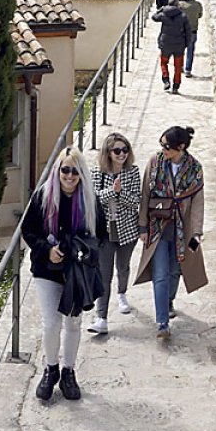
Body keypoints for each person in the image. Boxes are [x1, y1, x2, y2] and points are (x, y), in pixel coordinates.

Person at [23, 147, 107, 401]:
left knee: (73, 323)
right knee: (51, 324)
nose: (69, 176)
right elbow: (29, 231)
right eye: (65, 170)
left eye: (75, 171)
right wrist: (47, 250)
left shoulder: (90, 202)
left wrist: (80, 249)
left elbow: (100, 236)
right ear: (58, 171)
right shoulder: (42, 198)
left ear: (81, 174)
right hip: (46, 270)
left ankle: (69, 371)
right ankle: (51, 369)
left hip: (76, 272)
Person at [134, 126, 208, 339]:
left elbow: (197, 203)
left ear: (181, 147)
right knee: (160, 274)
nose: (163, 149)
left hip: (181, 229)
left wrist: (196, 231)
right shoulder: (155, 162)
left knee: (176, 270)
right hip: (158, 226)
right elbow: (145, 194)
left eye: (167, 146)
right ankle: (162, 323)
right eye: (161, 144)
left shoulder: (195, 169)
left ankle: (168, 301)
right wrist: (142, 226)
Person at [88, 132, 142, 335]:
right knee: (104, 273)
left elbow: (136, 200)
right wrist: (113, 191)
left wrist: (120, 193)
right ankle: (101, 317)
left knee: (123, 266)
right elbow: (93, 199)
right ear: (108, 152)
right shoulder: (97, 173)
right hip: (105, 231)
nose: (122, 154)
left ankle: (122, 292)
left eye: (125, 150)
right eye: (117, 150)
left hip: (127, 229)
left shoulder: (133, 172)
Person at [152, 0, 191, 95]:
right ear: (177, 5)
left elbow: (154, 17)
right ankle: (176, 87)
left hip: (166, 44)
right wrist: (186, 43)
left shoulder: (164, 14)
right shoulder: (183, 16)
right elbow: (188, 32)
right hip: (179, 45)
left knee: (163, 62)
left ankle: (166, 80)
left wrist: (161, 9)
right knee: (178, 67)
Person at [178, 0, 203, 78]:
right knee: (190, 51)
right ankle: (188, 70)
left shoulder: (180, 5)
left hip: (181, 31)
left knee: (180, 50)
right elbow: (200, 15)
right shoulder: (198, 5)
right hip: (193, 31)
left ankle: (179, 66)